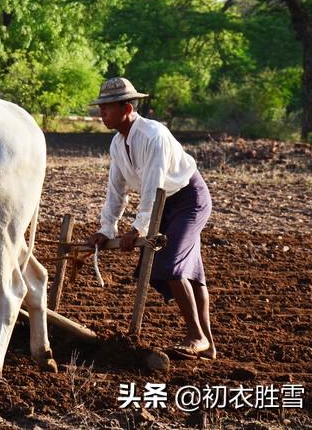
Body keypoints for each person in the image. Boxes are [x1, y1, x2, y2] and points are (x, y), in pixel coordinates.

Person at [86, 77, 216, 359]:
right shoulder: (118, 144)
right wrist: (107, 228)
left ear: (127, 107)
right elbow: (116, 190)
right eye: (101, 107)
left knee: (169, 263)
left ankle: (195, 336)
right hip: (163, 205)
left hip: (188, 199)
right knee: (190, 274)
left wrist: (137, 228)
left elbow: (153, 186)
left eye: (108, 107)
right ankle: (208, 346)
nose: (102, 113)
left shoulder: (153, 136)